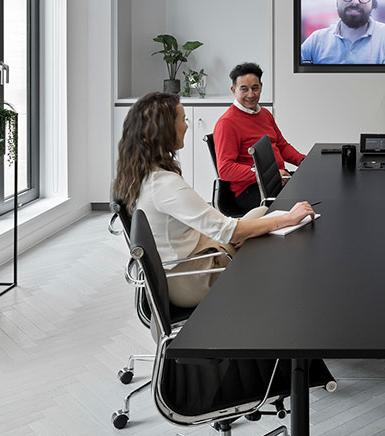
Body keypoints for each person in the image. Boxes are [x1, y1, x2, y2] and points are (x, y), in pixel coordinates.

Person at [113, 92, 315, 308]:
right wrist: (289, 219)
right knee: (276, 238)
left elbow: (219, 228)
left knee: (261, 213)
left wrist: (234, 232)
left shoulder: (140, 174)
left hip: (188, 256)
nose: (187, 126)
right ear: (163, 131)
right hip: (191, 277)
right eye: (182, 120)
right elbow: (230, 231)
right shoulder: (164, 184)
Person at [213, 62, 305, 210]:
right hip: (250, 190)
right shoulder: (227, 123)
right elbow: (225, 169)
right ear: (233, 90)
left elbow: (281, 146)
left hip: (277, 180)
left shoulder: (265, 114)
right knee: (306, 202)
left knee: (315, 187)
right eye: (244, 89)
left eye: (255, 88)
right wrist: (269, 174)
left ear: (261, 87)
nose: (251, 94)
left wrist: (303, 161)